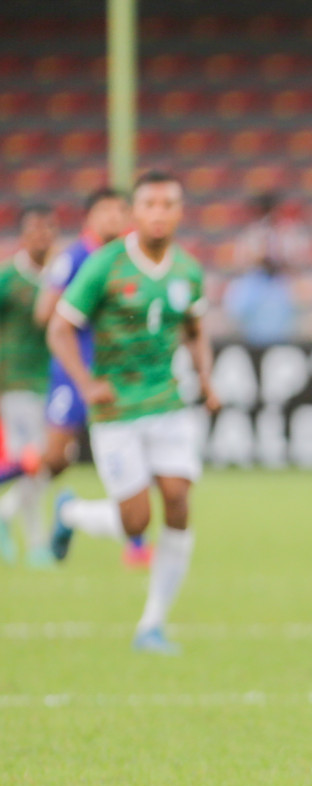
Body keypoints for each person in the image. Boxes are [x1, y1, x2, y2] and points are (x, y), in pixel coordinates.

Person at [47, 170, 221, 654]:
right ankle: (73, 514)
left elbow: (195, 328)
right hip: (117, 409)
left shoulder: (187, 269)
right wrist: (85, 382)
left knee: (179, 500)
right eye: (150, 204)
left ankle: (153, 623)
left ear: (180, 212)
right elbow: (59, 328)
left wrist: (205, 379)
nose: (160, 213)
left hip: (168, 402)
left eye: (169, 204)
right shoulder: (106, 265)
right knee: (136, 521)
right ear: (135, 213)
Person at [32, 188, 149, 568]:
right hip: (74, 373)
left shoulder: (133, 258)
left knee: (135, 455)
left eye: (121, 210)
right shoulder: (77, 257)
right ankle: (10, 503)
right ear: (90, 217)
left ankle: (135, 544)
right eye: (106, 211)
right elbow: (46, 314)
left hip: (116, 374)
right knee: (55, 457)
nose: (114, 218)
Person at [0, 204, 57, 566]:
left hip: (50, 381)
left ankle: (6, 517)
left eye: (46, 228)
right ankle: (37, 542)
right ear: (23, 235)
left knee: (40, 464)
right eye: (34, 229)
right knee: (36, 462)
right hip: (16, 381)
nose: (41, 235)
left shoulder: (57, 277)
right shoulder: (9, 279)